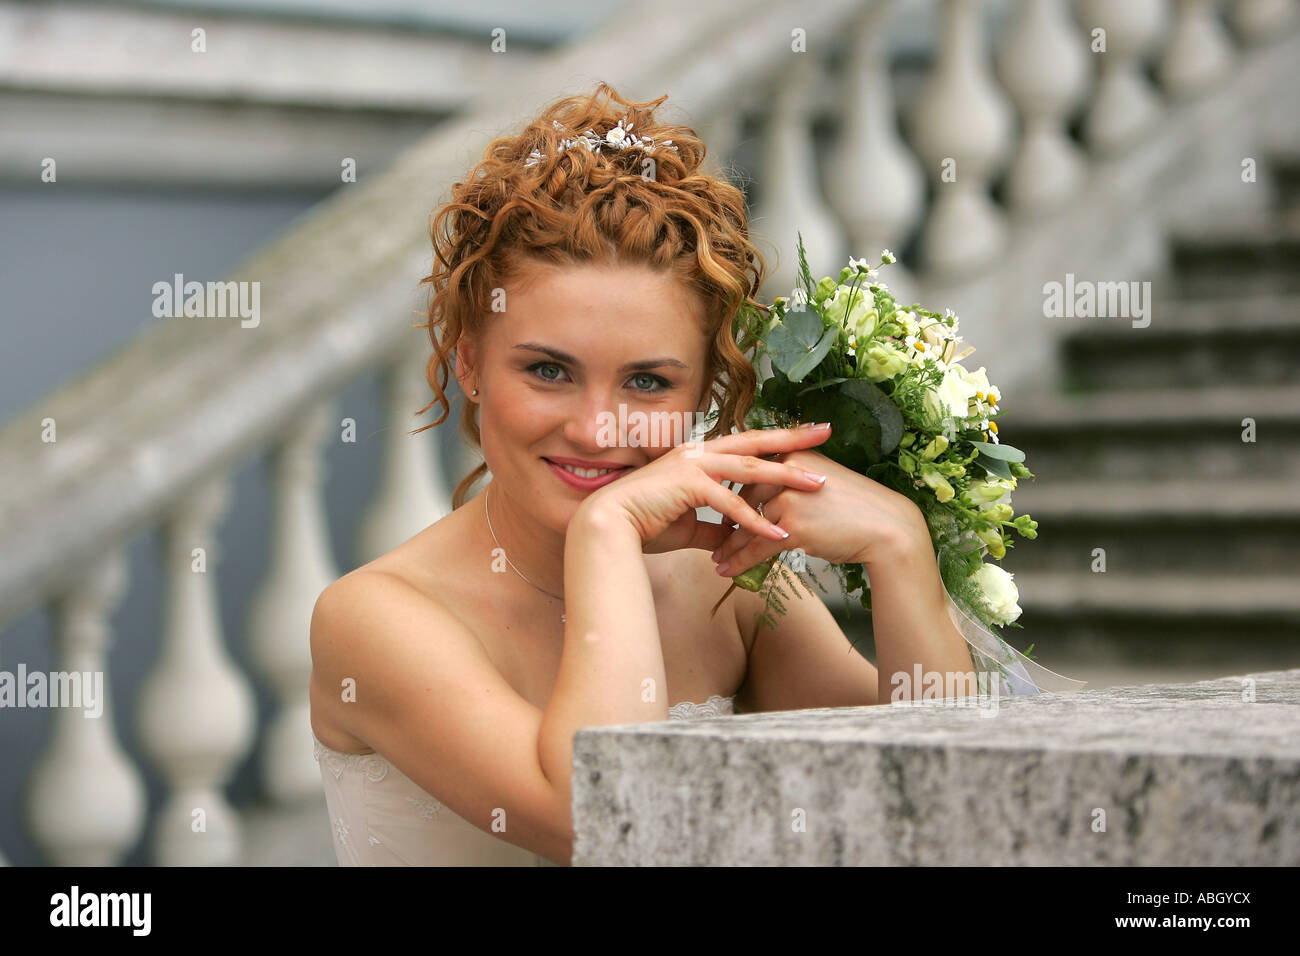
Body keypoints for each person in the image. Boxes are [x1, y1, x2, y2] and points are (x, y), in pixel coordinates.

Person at [308, 81, 975, 867]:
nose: (597, 428)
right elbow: (598, 821)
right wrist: (606, 533)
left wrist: (902, 551)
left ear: (705, 390)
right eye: (549, 370)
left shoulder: (727, 590)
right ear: (471, 363)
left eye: (649, 382)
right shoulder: (374, 619)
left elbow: (937, 808)